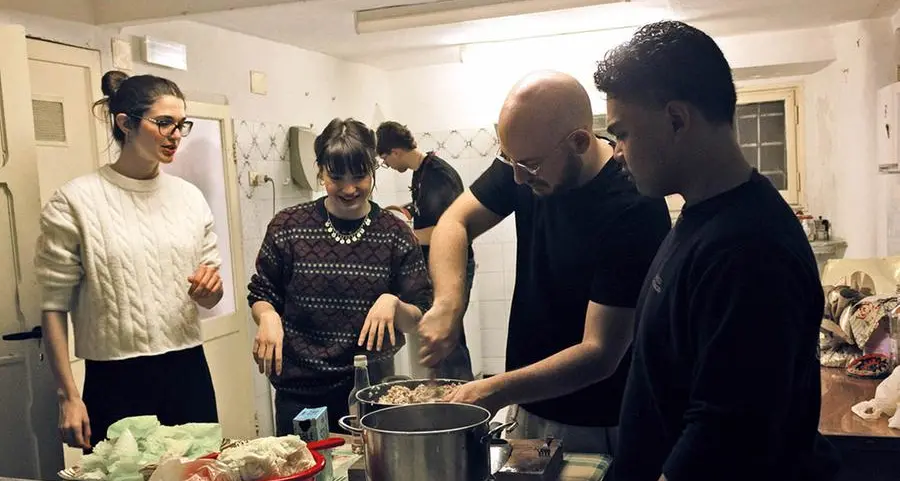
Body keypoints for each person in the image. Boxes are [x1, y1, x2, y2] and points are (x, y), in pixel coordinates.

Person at [593, 20, 840, 480]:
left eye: (622, 133)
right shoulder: (705, 216)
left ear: (676, 120)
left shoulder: (750, 250)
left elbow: (725, 438)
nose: (618, 152)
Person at [420, 70, 671, 453]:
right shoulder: (524, 163)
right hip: (527, 408)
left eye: (530, 166)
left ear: (579, 141)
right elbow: (455, 221)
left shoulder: (633, 205)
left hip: (601, 423)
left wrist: (493, 389)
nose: (518, 179)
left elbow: (600, 353)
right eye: (510, 161)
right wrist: (448, 303)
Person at [35, 71, 223, 450]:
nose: (175, 135)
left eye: (181, 125)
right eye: (164, 123)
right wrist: (69, 396)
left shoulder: (189, 199)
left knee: (202, 473)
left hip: (187, 369)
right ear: (125, 123)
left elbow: (209, 296)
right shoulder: (75, 201)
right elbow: (53, 306)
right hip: (115, 378)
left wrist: (210, 290)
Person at [248, 117, 432, 435]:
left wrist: (393, 303)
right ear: (320, 171)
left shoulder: (394, 233)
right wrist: (266, 315)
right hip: (299, 393)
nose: (349, 189)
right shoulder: (288, 227)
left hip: (371, 394)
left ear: (373, 170)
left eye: (360, 176)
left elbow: (418, 316)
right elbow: (262, 291)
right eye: (336, 177)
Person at [376, 121, 475, 381]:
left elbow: (445, 229)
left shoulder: (437, 174)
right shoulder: (421, 172)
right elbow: (428, 211)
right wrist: (405, 210)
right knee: (440, 336)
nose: (389, 166)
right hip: (437, 264)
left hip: (451, 265)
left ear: (395, 151)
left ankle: (462, 399)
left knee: (448, 335)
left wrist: (402, 236)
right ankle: (447, 394)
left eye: (385, 160)